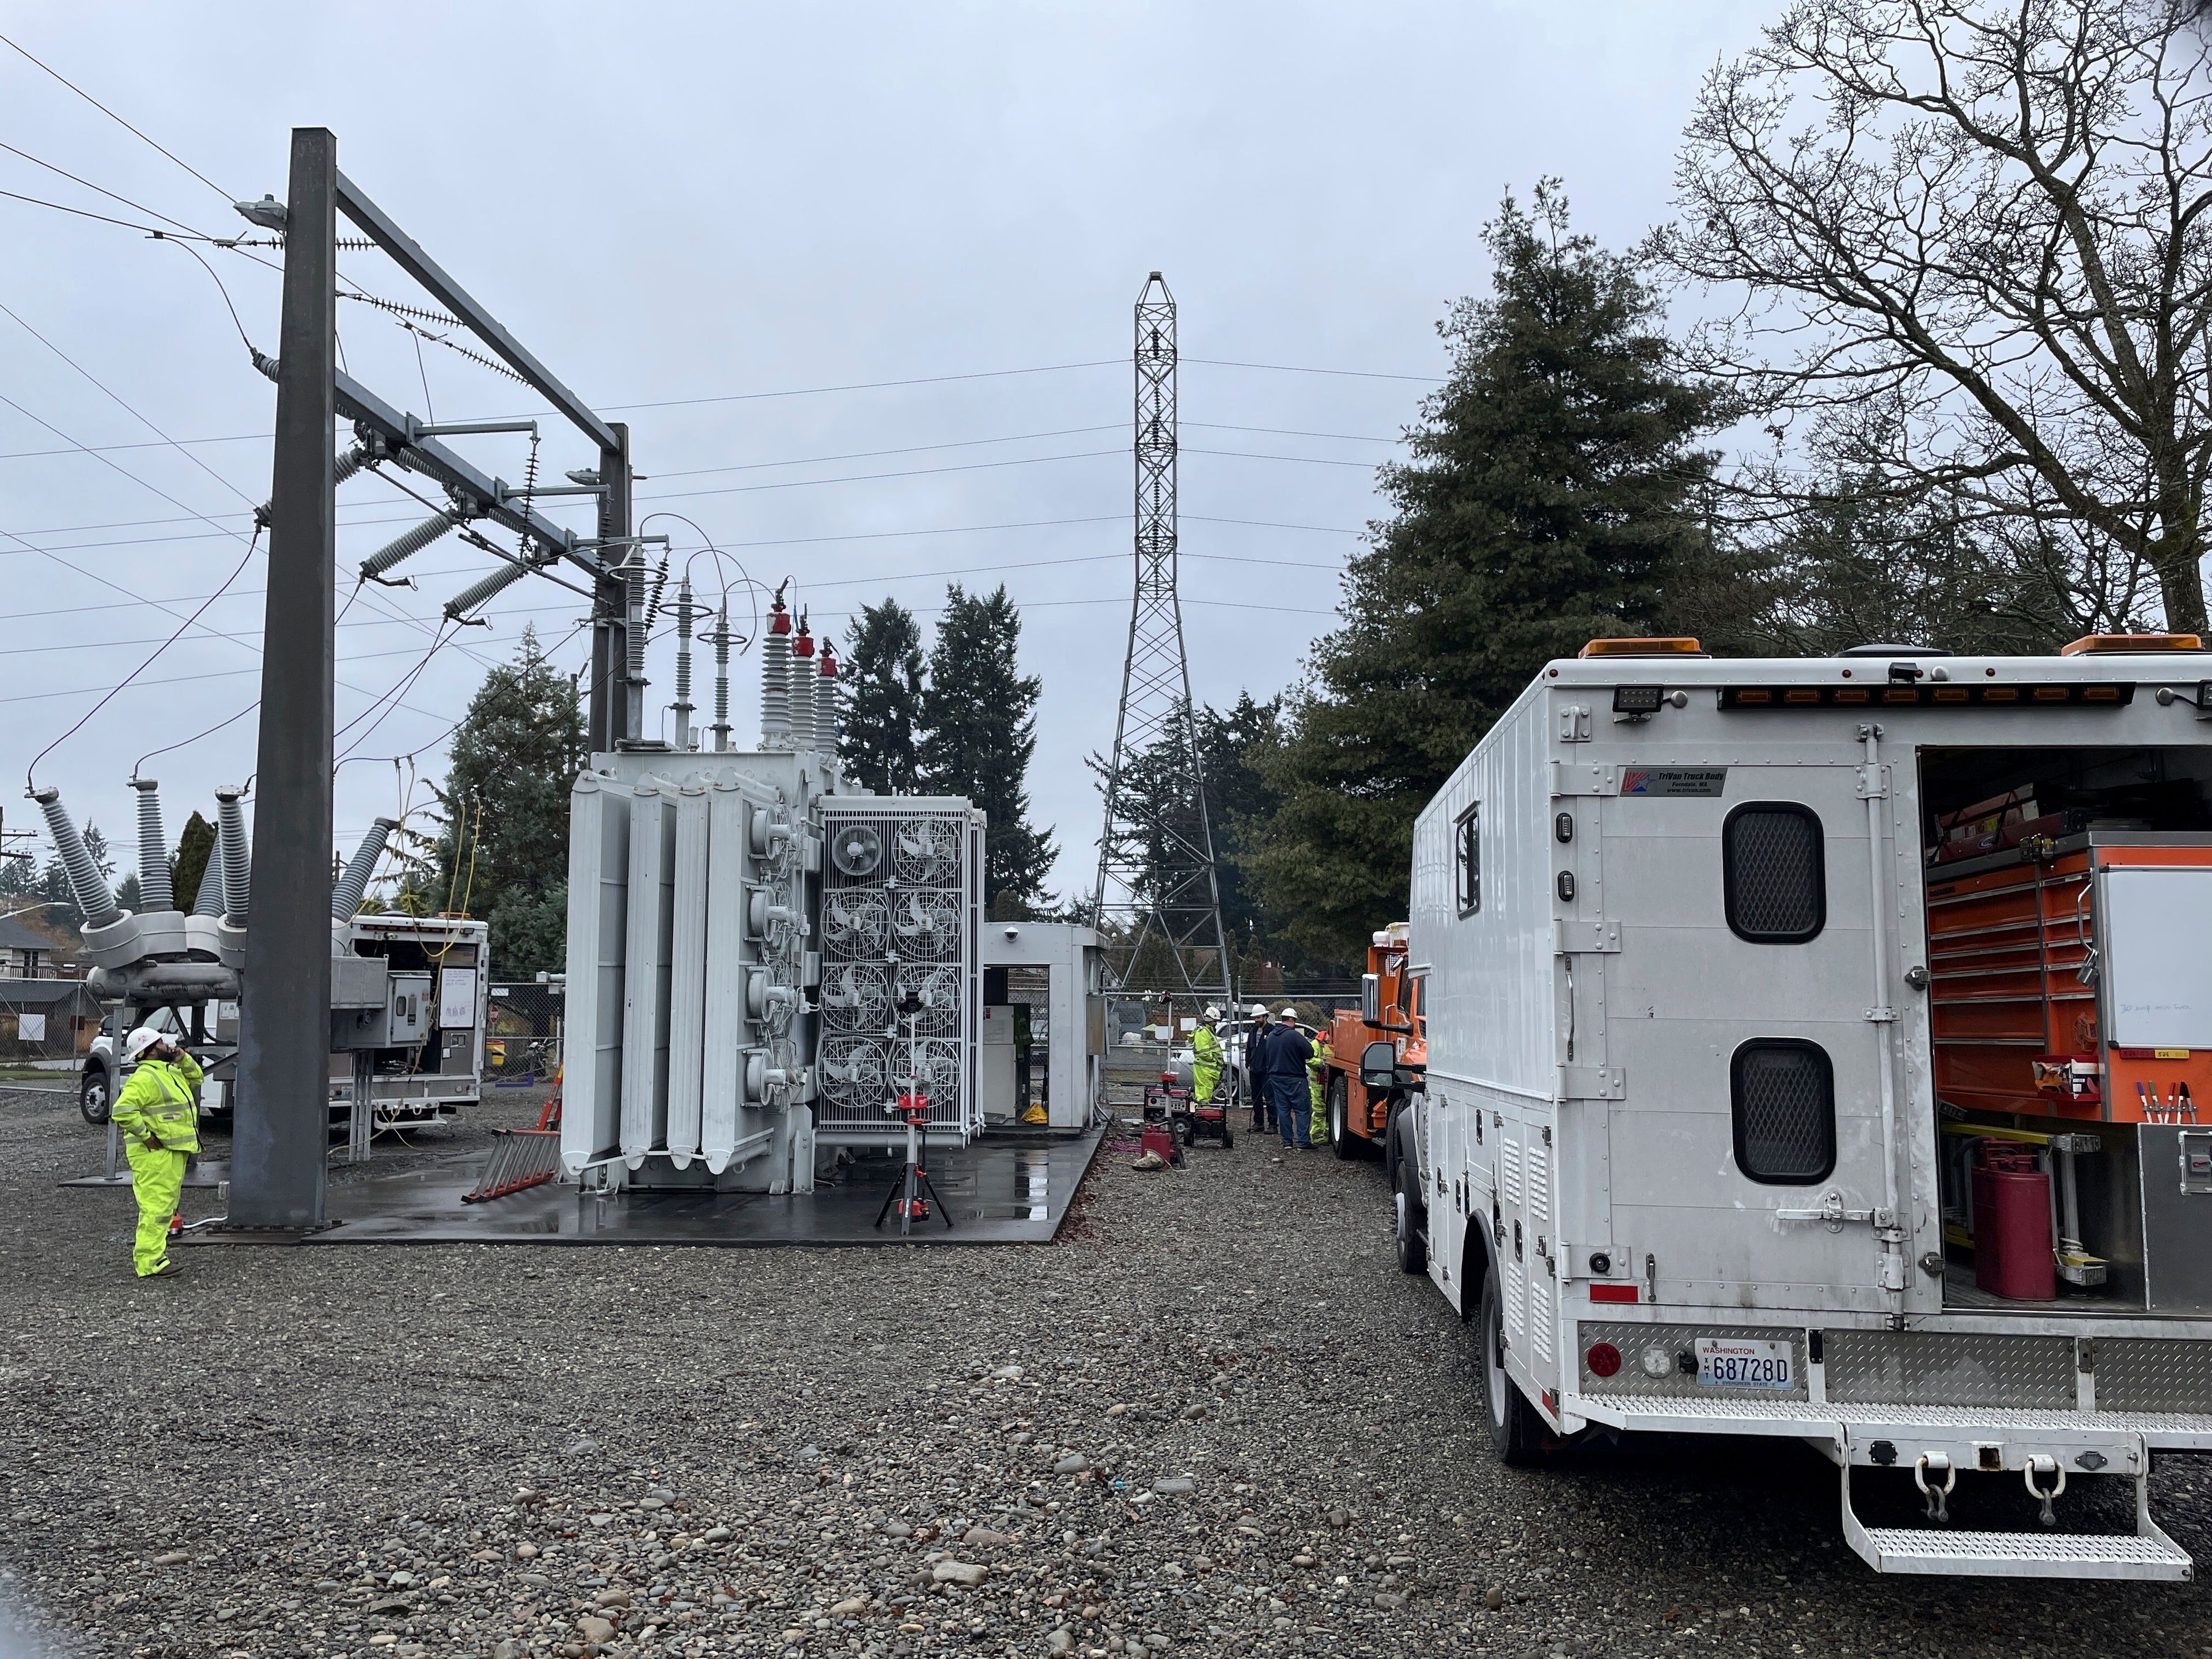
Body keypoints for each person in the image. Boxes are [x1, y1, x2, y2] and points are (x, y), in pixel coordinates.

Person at [111, 1025, 202, 1279]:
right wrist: (147, 1137)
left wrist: (183, 1058)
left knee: (163, 1205)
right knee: (157, 1207)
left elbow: (198, 1078)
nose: (167, 1046)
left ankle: (154, 1257)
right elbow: (122, 1110)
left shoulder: (168, 1071)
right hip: (156, 1153)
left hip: (170, 1151)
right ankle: (150, 1261)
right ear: (150, 1051)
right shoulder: (146, 1077)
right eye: (161, 1043)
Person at [1270, 1007, 1314, 1150]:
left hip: (1276, 1078)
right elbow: (1310, 1053)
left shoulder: (1271, 1036)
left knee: (1283, 1110)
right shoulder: (1295, 1036)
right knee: (1302, 1110)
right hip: (1295, 1078)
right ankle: (1303, 1142)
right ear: (1292, 1019)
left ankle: (1287, 1142)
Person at [1242, 1003, 1274, 1132]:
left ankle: (1273, 1124)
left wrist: (1269, 1066)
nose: (1256, 1020)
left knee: (1270, 1098)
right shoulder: (1253, 1031)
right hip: (1254, 1070)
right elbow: (1249, 1049)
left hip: (1266, 1071)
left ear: (1265, 1017)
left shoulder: (1271, 1031)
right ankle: (1259, 1122)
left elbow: (1273, 1051)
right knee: (1256, 1098)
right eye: (1255, 1018)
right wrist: (1248, 1064)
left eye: (1258, 1018)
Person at [1191, 1006, 1224, 1112]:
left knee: (1205, 1090)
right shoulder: (1203, 1032)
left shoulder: (1207, 1030)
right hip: (1205, 1068)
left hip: (1207, 1068)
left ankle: (1203, 1109)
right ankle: (1202, 1111)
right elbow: (1203, 1052)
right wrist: (1214, 1060)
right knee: (1203, 1091)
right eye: (1215, 1021)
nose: (1216, 1024)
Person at [1308, 1027, 1335, 1148]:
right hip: (1317, 1084)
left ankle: (1325, 1136)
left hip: (1326, 1082)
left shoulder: (1329, 1043)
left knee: (1326, 1110)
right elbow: (1309, 1060)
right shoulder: (1315, 1044)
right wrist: (1323, 1062)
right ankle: (1316, 1137)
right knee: (1319, 1111)